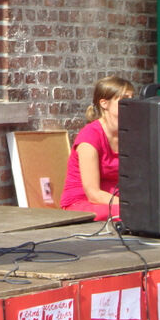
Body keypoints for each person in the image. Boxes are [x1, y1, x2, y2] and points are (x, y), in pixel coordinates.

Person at [60, 76, 134, 220]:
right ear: (104, 103)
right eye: (124, 99)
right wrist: (131, 204)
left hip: (118, 200)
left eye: (132, 98)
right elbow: (93, 194)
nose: (131, 103)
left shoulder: (130, 133)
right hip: (82, 203)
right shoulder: (90, 136)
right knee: (132, 213)